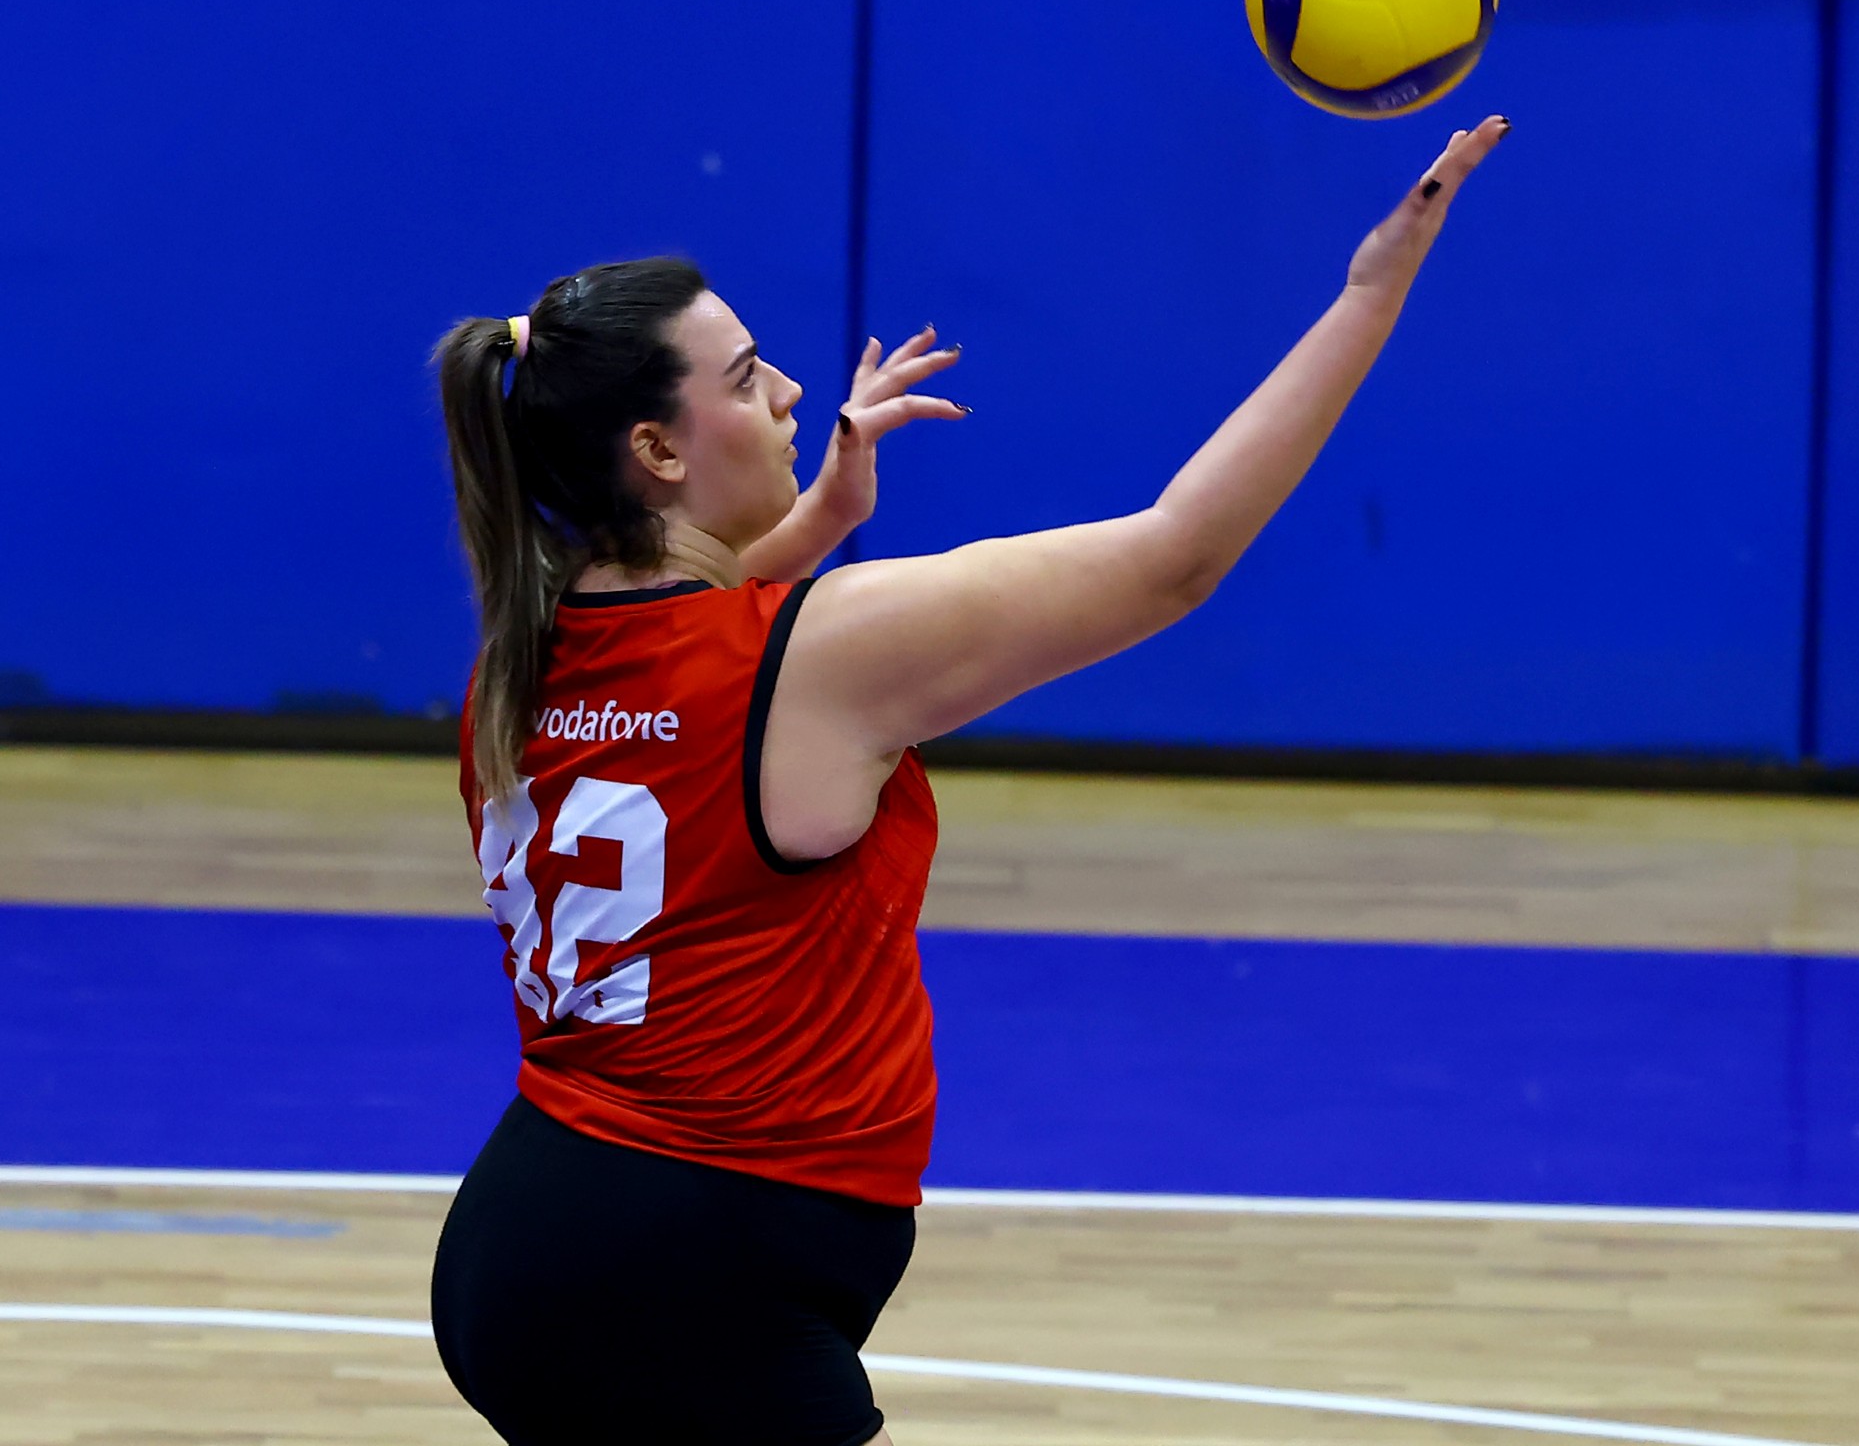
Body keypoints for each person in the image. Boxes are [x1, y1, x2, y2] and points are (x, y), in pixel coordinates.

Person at [428, 116, 1507, 1445]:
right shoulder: (818, 656)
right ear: (657, 451)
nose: (790, 395)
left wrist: (812, 521)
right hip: (688, 1280)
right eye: (750, 378)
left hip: (544, 1240)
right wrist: (1369, 294)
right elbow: (1174, 557)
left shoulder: (520, 663)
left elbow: (681, 657)